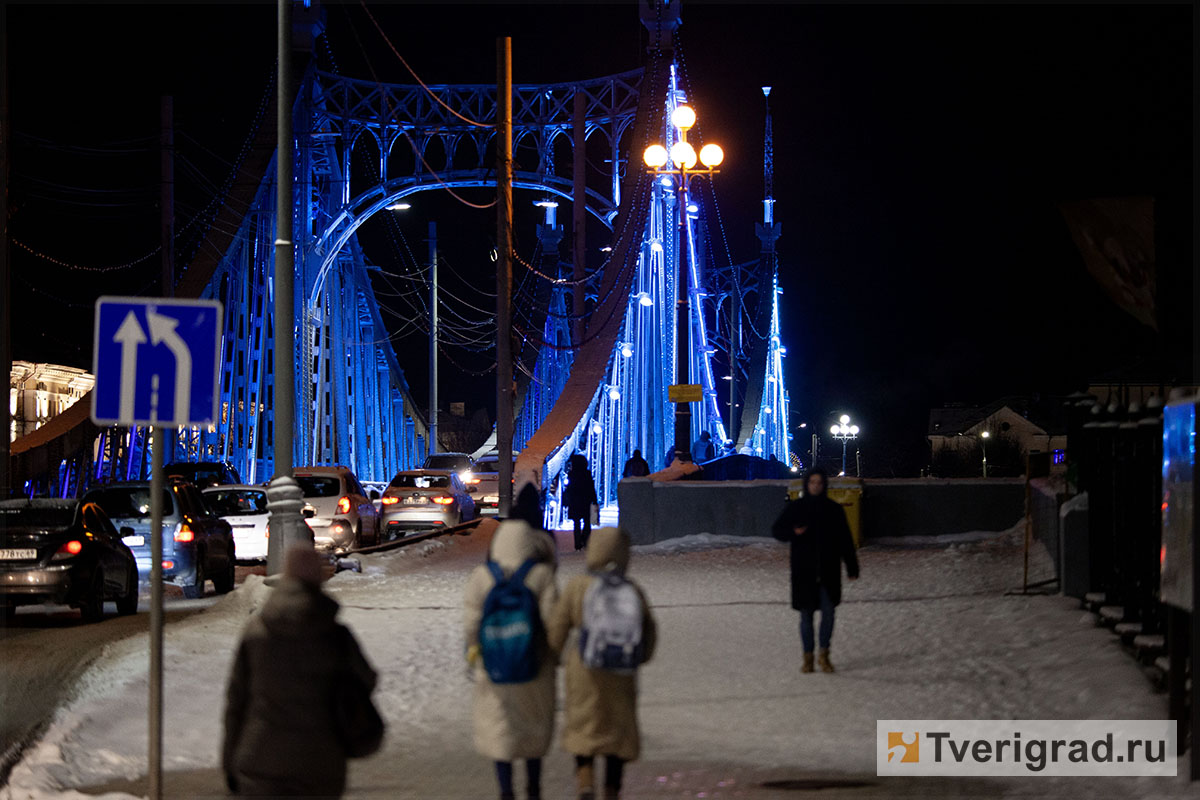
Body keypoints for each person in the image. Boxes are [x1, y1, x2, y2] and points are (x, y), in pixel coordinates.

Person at [223, 546, 379, 798]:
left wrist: (229, 761)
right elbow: (366, 680)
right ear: (317, 578)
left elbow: (236, 703)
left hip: (262, 758)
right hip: (320, 762)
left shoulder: (256, 633)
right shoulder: (335, 636)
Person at [547, 527, 657, 800]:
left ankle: (585, 780)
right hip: (621, 673)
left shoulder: (577, 586)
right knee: (617, 731)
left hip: (584, 669)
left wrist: (552, 656)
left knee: (585, 726)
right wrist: (637, 658)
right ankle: (611, 789)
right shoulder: (631, 589)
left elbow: (558, 627)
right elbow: (649, 634)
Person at [464, 520, 560, 800]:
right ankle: (534, 789)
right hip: (534, 667)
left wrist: (475, 652)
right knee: (533, 728)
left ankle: (506, 791)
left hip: (494, 668)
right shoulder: (541, 575)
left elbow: (471, 625)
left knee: (500, 730)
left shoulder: (483, 576)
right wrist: (551, 657)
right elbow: (553, 623)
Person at [770, 466, 859, 673]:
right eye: (812, 482)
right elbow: (777, 530)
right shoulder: (797, 508)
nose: (816, 486)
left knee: (828, 615)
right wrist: (794, 532)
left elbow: (845, 540)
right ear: (807, 484)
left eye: (819, 483)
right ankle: (808, 657)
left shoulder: (834, 509)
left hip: (828, 571)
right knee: (806, 616)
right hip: (805, 572)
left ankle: (824, 654)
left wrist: (852, 566)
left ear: (824, 485)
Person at [564, 453, 598, 551]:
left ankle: (577, 543)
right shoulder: (587, 474)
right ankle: (585, 540)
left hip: (574, 502)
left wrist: (567, 501)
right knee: (587, 522)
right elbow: (591, 488)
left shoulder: (571, 475)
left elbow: (569, 489)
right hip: (585, 501)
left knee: (576, 523)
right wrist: (594, 500)